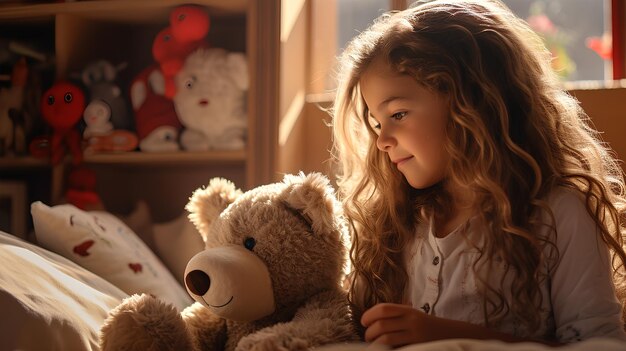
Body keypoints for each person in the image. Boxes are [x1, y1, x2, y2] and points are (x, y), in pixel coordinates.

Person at [330, 0, 626, 347]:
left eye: (398, 114)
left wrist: (451, 337)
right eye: (377, 123)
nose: (382, 141)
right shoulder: (396, 223)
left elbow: (600, 342)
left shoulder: (558, 213)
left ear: (470, 103)